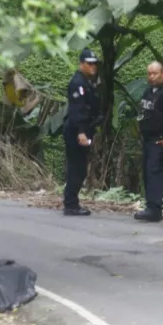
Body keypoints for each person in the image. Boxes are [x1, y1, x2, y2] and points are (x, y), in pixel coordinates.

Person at [135, 61, 163, 222]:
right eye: (149, 74)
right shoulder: (148, 92)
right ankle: (150, 206)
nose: (151, 77)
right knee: (148, 173)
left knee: (155, 173)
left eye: (155, 73)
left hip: (159, 141)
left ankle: (155, 210)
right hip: (147, 140)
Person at [62, 48, 101, 216]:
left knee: (79, 167)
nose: (93, 66)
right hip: (76, 131)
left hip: (83, 130)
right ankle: (71, 204)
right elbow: (77, 110)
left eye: (94, 64)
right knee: (76, 168)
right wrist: (81, 132)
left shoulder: (86, 81)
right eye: (89, 63)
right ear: (81, 64)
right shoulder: (78, 83)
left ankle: (72, 201)